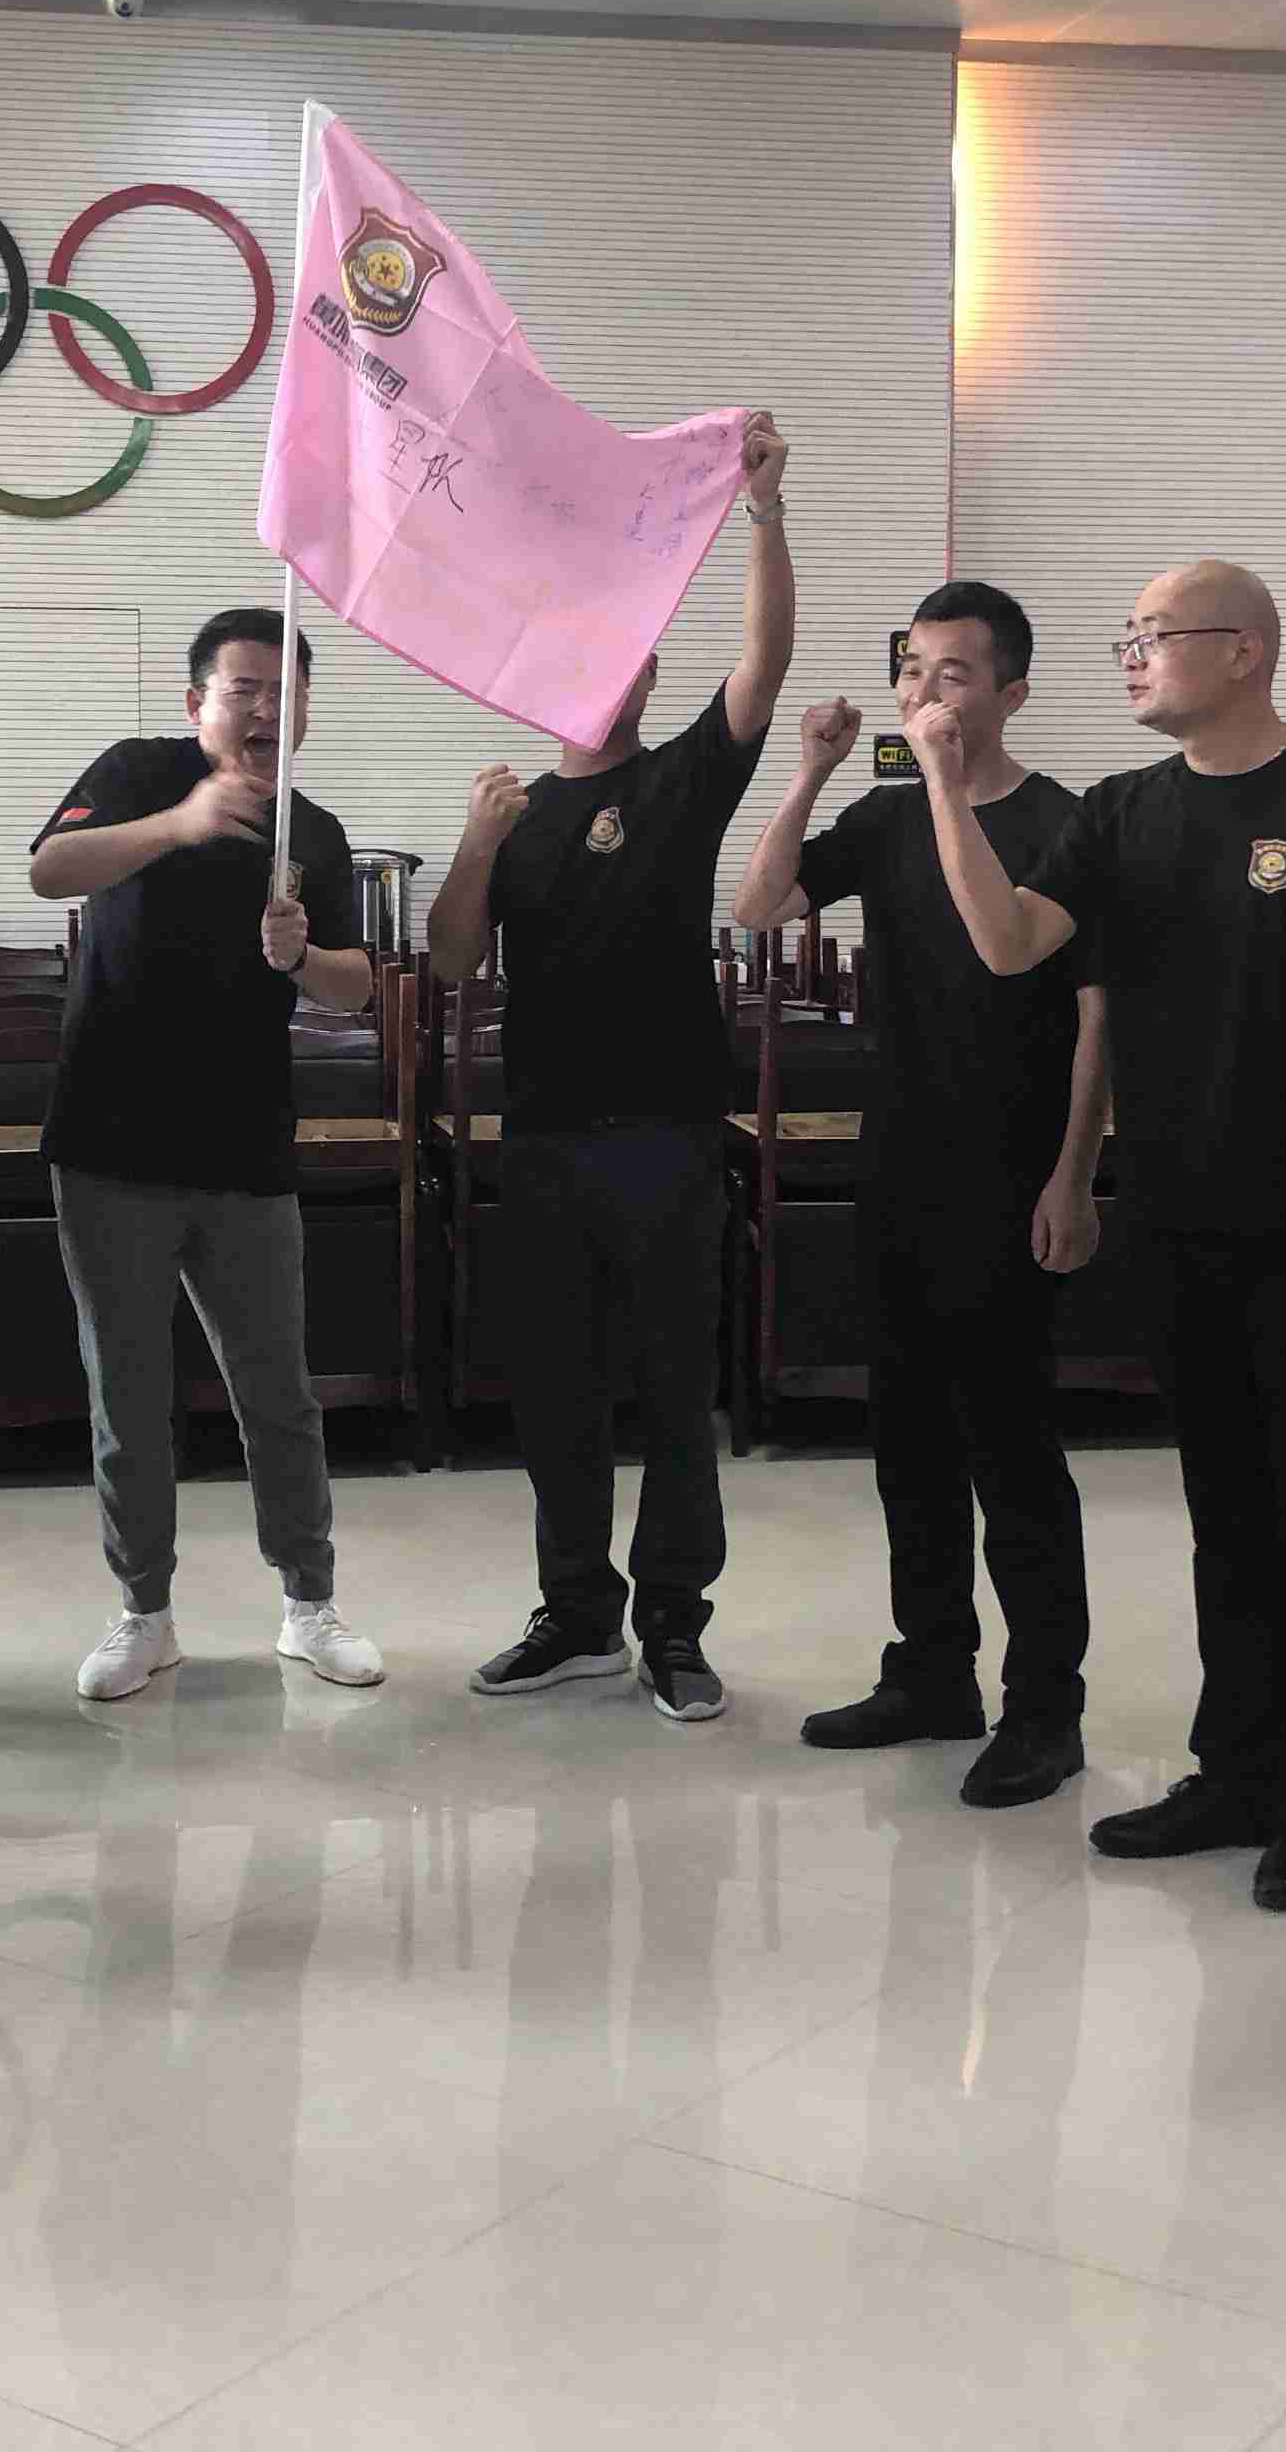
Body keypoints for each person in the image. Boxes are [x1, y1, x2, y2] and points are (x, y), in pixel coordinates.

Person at [917, 559, 1286, 1913]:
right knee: (1224, 1509)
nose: (1133, 657)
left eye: (1154, 636)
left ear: (1245, 650)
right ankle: (1237, 1771)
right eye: (1126, 639)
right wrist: (941, 787)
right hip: (1177, 1212)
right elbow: (1010, 942)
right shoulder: (1122, 812)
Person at [428, 413, 794, 1726]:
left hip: (668, 1137)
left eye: (624, 654)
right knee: (558, 1397)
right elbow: (454, 958)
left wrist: (762, 514)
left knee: (676, 1395)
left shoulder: (684, 781)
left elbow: (763, 664)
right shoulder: (516, 818)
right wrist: (475, 842)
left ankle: (674, 1627)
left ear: (643, 677)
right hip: (543, 1141)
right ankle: (577, 1616)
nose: (603, 673)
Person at [732, 578, 1109, 1806]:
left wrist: (1073, 1174)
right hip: (899, 1161)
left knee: (1014, 1449)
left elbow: (1094, 1017)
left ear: (1012, 691)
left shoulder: (1065, 823)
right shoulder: (886, 816)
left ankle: (1045, 1708)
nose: (925, 693)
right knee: (909, 1441)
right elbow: (757, 904)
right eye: (911, 671)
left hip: (1014, 1170)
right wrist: (809, 771)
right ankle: (933, 1670)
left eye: (953, 673)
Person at [26, 611, 387, 1703]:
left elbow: (357, 986)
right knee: (128, 1398)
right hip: (110, 1143)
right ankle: (144, 1613)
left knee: (277, 1392)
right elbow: (50, 869)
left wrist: (303, 954)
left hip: (245, 1149)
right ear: (199, 705)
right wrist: (179, 823)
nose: (267, 709)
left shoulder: (312, 830)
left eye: (288, 691)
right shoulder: (138, 773)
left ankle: (309, 1604)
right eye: (245, 689)